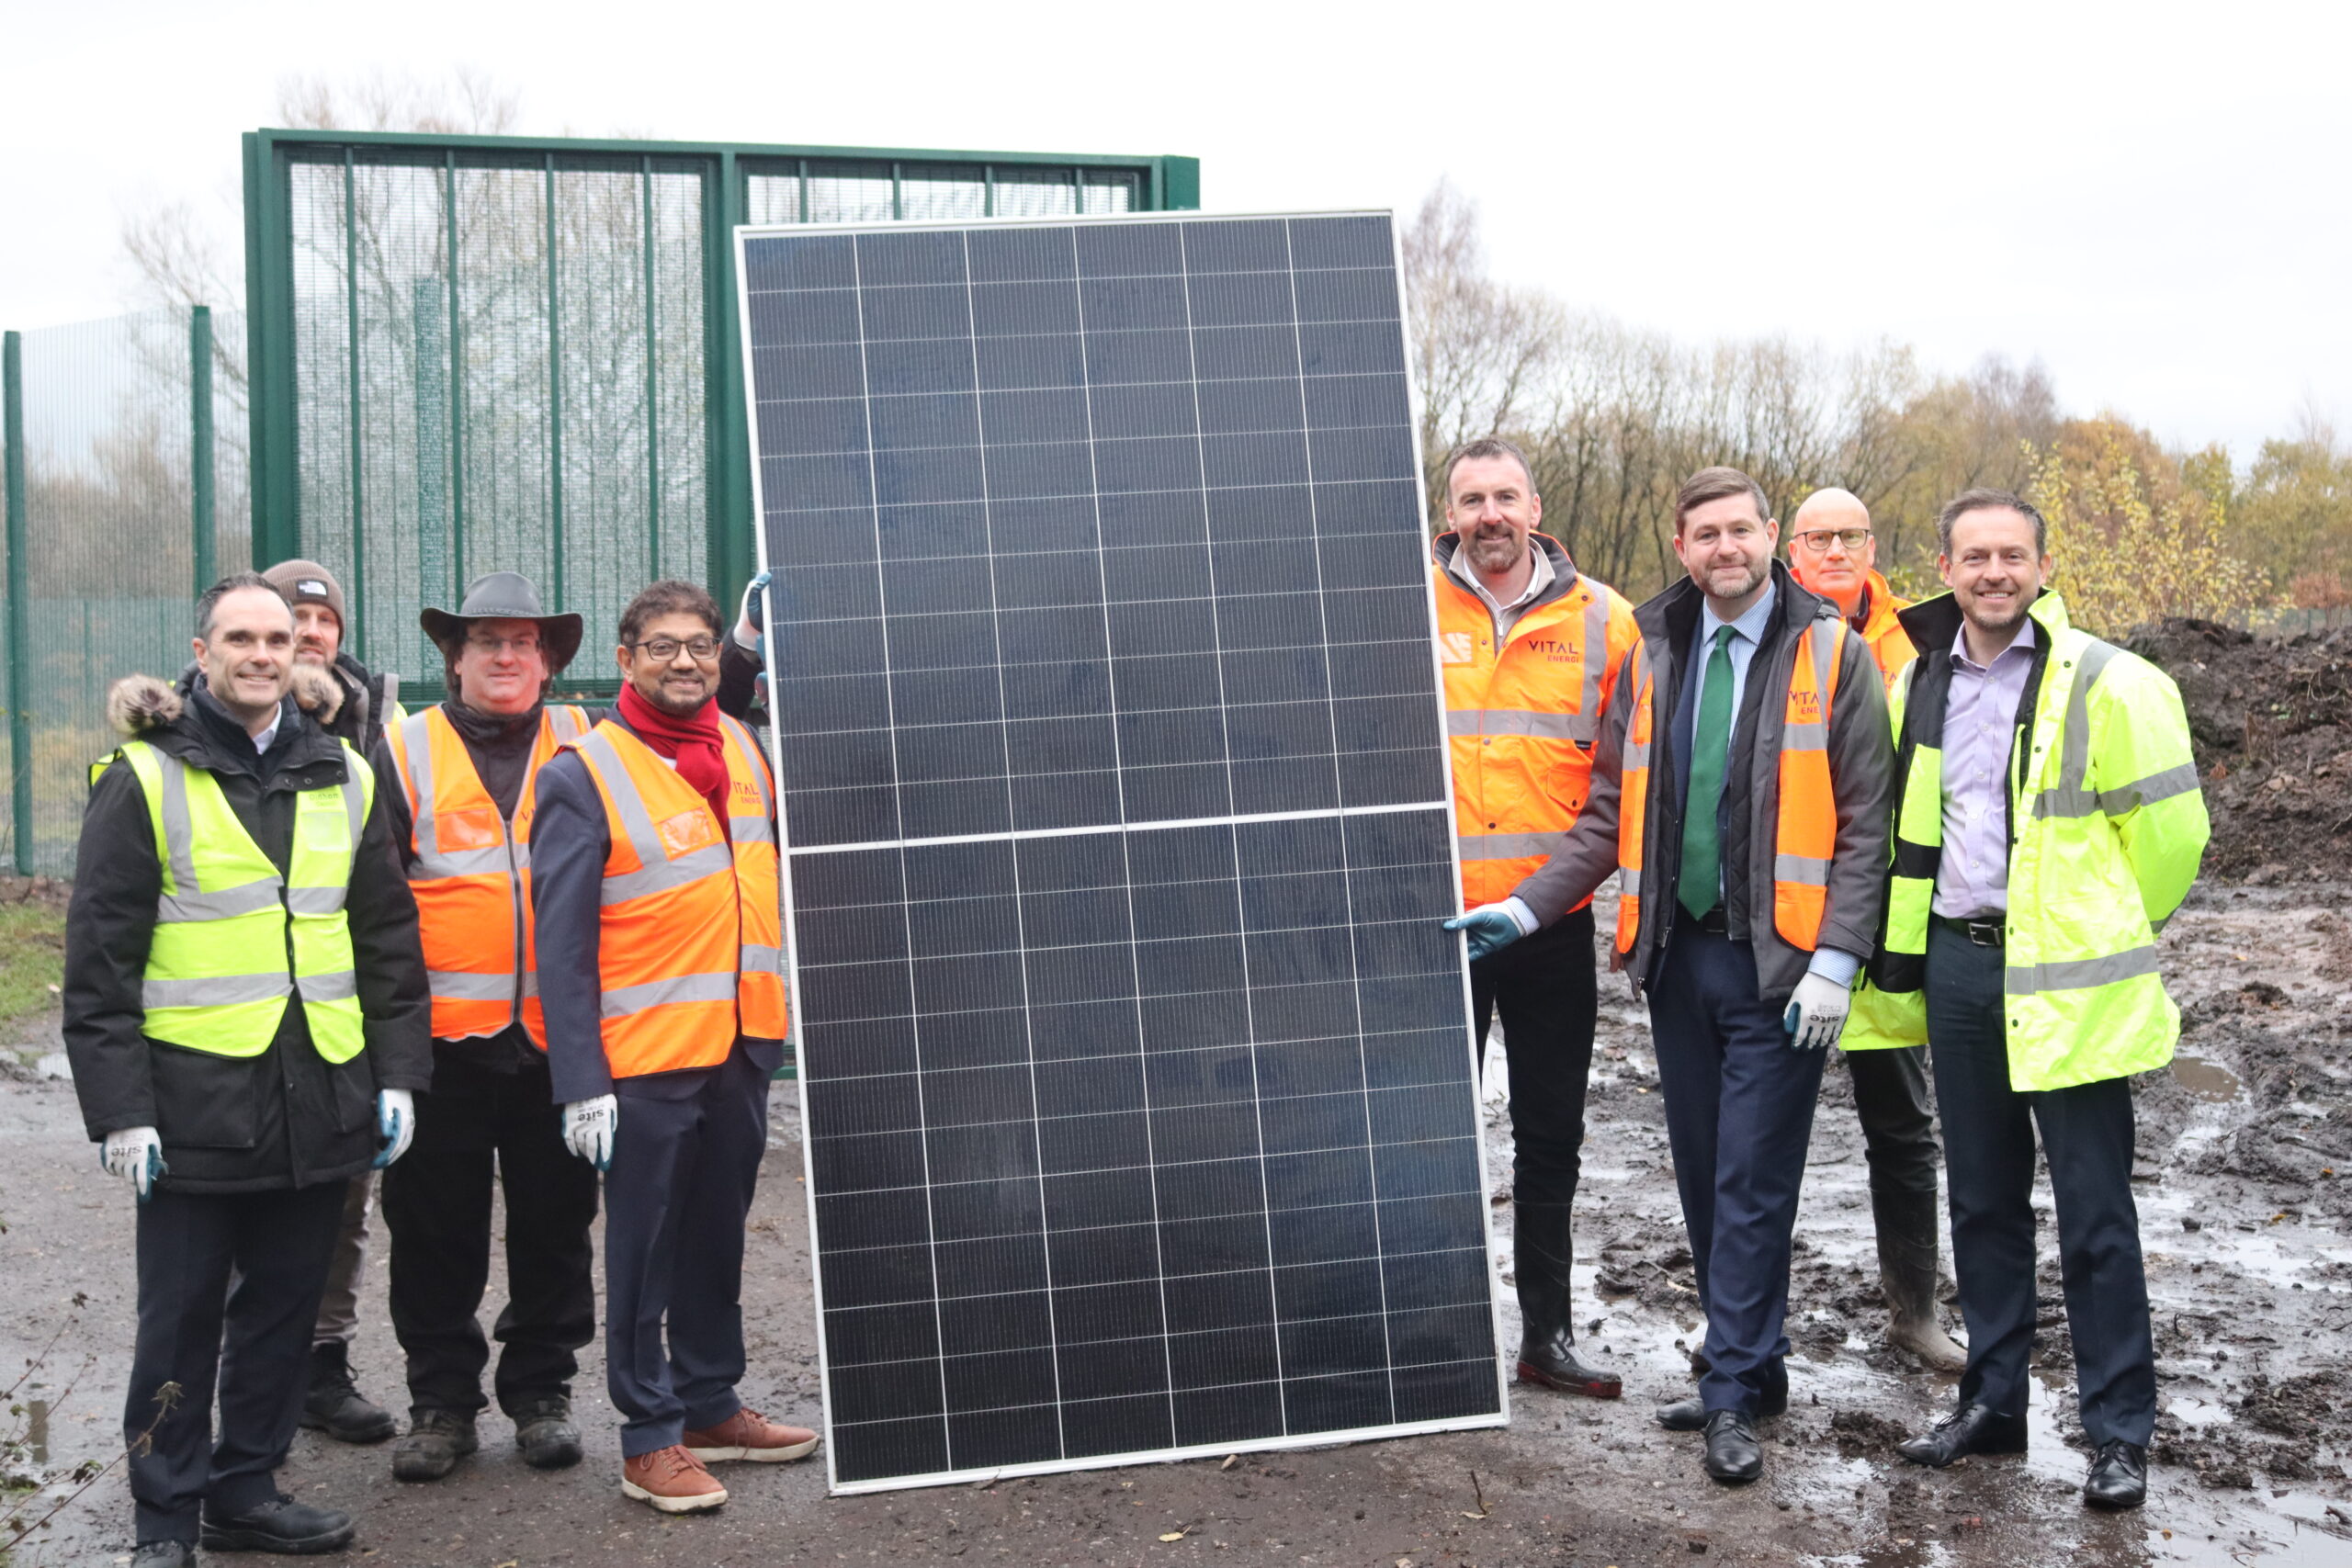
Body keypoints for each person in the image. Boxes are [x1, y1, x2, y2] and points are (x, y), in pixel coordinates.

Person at [1450, 467, 1893, 1485]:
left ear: (1768, 535)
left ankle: (1730, 1387)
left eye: (1740, 530)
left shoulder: (1832, 652)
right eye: (1705, 534)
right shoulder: (1653, 652)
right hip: (1676, 960)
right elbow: (1606, 811)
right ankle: (1758, 1361)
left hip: (1782, 969)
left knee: (1748, 1178)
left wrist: (1838, 958)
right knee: (1701, 1171)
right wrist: (1523, 907)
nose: (1724, 548)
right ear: (1682, 546)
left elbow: (1869, 821)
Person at [64, 573, 430, 1567]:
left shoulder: (345, 773)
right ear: (202, 649)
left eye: (279, 638)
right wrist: (119, 1115)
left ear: (301, 655)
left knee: (281, 1315)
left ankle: (245, 1489)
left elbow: (387, 939)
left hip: (321, 1100)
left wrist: (397, 1073)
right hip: (193, 1114)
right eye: (241, 636)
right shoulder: (143, 778)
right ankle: (164, 1517)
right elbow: (98, 968)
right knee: (178, 1330)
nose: (263, 652)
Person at [1856, 491, 2207, 1510]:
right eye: (1975, 556)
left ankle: (2116, 1434)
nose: (1993, 572)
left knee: (2095, 1214)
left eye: (2012, 555)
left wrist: (2095, 927)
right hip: (1958, 970)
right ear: (1946, 565)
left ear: (2043, 567)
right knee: (1983, 1201)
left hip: (2068, 979)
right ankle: (1993, 1404)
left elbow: (2173, 841)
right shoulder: (1917, 681)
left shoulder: (2109, 681)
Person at [530, 580, 817, 1513]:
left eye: (699, 646)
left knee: (714, 1237)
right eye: (662, 647)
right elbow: (561, 947)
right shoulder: (584, 773)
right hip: (641, 1062)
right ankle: (648, 1435)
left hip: (740, 1045)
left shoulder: (739, 746)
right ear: (624, 661)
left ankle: (707, 1404)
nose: (685, 661)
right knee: (645, 1253)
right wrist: (581, 1080)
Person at [372, 572, 602, 1483]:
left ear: (546, 661)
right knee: (433, 1230)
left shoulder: (592, 740)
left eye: (522, 642)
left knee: (556, 1226)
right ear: (454, 659)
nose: (505, 657)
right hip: (442, 1046)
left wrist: (740, 644)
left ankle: (541, 1392)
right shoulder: (404, 748)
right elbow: (377, 905)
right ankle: (441, 1402)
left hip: (560, 1043)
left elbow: (697, 705)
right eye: (486, 642)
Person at [1430, 436, 1638, 1399]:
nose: (1490, 515)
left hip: (1548, 926)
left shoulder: (1608, 624)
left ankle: (1544, 1337)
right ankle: (1425, 1334)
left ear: (1535, 504)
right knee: (1421, 1133)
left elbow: (1622, 792)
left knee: (1549, 1133)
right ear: (1451, 513)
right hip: (1430, 930)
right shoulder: (1396, 611)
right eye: (1472, 499)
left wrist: (1540, 904)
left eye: (1504, 495)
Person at [1781, 489, 1963, 1371]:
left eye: (1852, 536)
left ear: (1873, 544)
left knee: (1903, 1127)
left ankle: (1914, 1311)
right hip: (1788, 924)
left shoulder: (1919, 642)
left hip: (1890, 930)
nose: (1837, 550)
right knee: (1760, 1131)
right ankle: (1747, 1320)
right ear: (1794, 546)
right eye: (1820, 537)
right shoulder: (1769, 628)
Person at [257, 558, 407, 1444]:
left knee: (343, 1199)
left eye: (324, 623)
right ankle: (245, 1383)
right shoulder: (190, 727)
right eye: (290, 620)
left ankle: (321, 1364)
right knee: (236, 1209)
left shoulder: (378, 727)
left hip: (338, 1004)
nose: (310, 634)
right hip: (230, 1022)